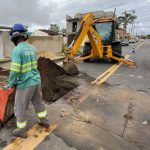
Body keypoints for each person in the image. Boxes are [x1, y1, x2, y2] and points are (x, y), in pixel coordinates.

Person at [8, 23, 50, 138]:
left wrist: (11, 84)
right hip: (36, 81)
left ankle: (21, 130)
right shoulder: (32, 48)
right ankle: (44, 121)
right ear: (24, 36)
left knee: (20, 107)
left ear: (14, 37)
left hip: (25, 84)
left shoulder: (17, 50)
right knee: (39, 103)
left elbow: (14, 71)